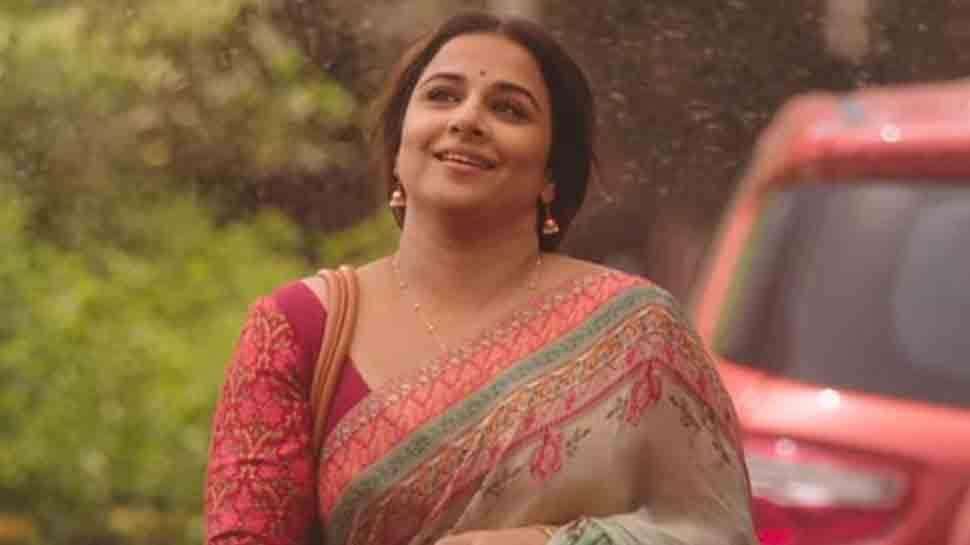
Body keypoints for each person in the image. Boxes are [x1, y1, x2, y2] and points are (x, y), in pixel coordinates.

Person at [205, 11, 757, 545]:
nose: (467, 119)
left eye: (509, 109)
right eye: (442, 95)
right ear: (399, 145)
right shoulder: (300, 330)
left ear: (550, 174)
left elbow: (718, 534)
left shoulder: (637, 332)